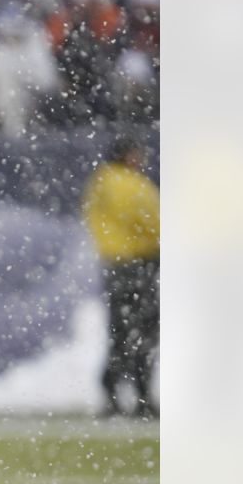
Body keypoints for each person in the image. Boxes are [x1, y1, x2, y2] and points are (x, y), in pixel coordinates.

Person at [82, 137, 160, 418]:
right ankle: (141, 397)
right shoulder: (130, 184)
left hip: (115, 263)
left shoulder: (100, 183)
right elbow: (151, 222)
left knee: (120, 332)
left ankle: (112, 395)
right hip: (140, 262)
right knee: (144, 334)